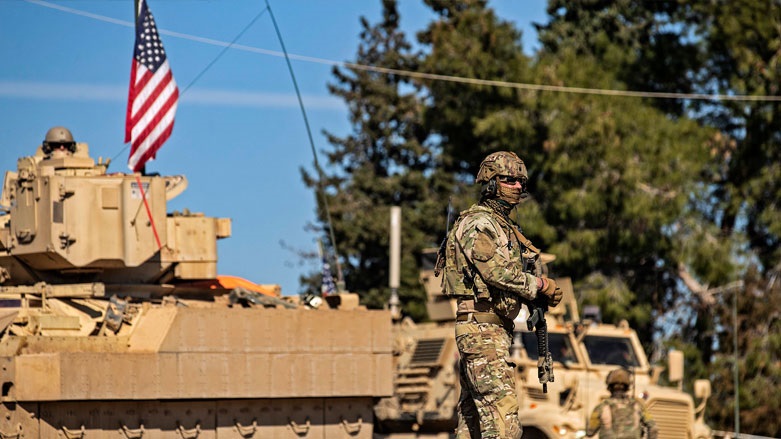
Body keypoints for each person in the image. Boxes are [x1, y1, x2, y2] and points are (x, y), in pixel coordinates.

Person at [439, 151, 563, 439]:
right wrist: (540, 285)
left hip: (491, 331)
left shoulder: (504, 226)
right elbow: (496, 271)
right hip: (483, 331)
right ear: (491, 183)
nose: (518, 186)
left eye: (521, 181)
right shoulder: (479, 223)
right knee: (503, 423)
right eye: (509, 180)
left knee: (472, 426)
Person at [586, 368, 658, 439]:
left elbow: (590, 432)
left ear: (609, 387)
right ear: (627, 387)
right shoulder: (638, 406)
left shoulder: (601, 407)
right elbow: (653, 428)